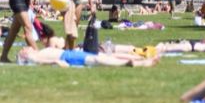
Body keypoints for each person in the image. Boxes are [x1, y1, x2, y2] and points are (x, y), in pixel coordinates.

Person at [16, 45, 159, 67]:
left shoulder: (39, 51)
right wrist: (57, 62)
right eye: (23, 50)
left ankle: (141, 58)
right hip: (69, 57)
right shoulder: (34, 57)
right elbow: (44, 61)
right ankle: (137, 63)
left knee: (104, 55)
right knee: (99, 59)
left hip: (72, 53)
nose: (26, 47)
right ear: (24, 55)